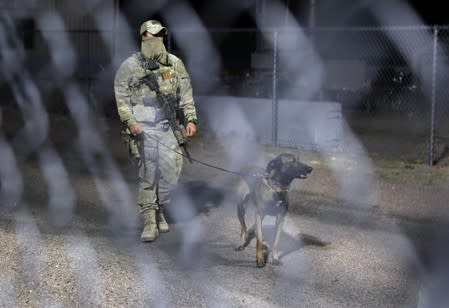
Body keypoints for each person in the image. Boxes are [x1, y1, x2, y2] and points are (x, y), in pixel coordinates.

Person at [114, 19, 198, 242]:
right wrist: (130, 122)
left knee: (171, 175)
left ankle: (160, 208)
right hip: (143, 129)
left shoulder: (174, 64)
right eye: (150, 36)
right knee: (148, 175)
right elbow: (121, 98)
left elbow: (186, 94)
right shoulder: (130, 66)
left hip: (168, 127)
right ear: (142, 38)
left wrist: (191, 119)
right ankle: (150, 220)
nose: (155, 40)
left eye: (159, 35)